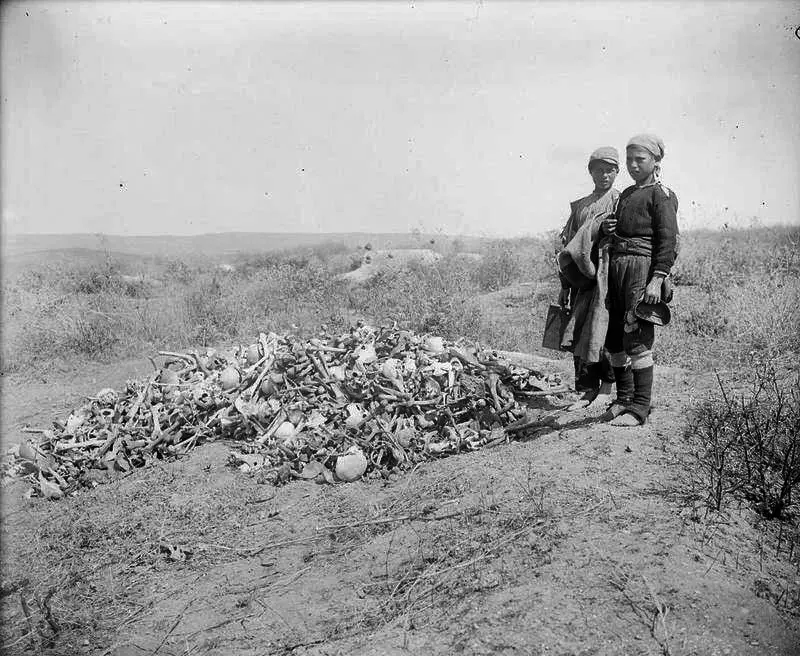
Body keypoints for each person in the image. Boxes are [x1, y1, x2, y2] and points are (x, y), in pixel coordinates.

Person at [601, 133, 679, 426]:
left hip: (642, 270)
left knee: (637, 337)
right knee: (615, 338)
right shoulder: (626, 195)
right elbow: (621, 231)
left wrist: (657, 280)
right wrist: (610, 227)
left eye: (640, 159)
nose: (633, 165)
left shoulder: (662, 195)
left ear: (656, 162)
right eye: (629, 159)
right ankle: (623, 399)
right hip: (617, 269)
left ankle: (640, 408)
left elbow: (668, 241)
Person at [556, 147, 620, 410]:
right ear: (590, 172)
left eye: (610, 170)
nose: (604, 175)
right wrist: (565, 285)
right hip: (584, 281)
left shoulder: (620, 200)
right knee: (580, 331)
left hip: (609, 278)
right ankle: (587, 390)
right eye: (599, 170)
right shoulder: (581, 206)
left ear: (617, 172)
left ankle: (606, 388)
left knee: (602, 331)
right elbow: (568, 245)